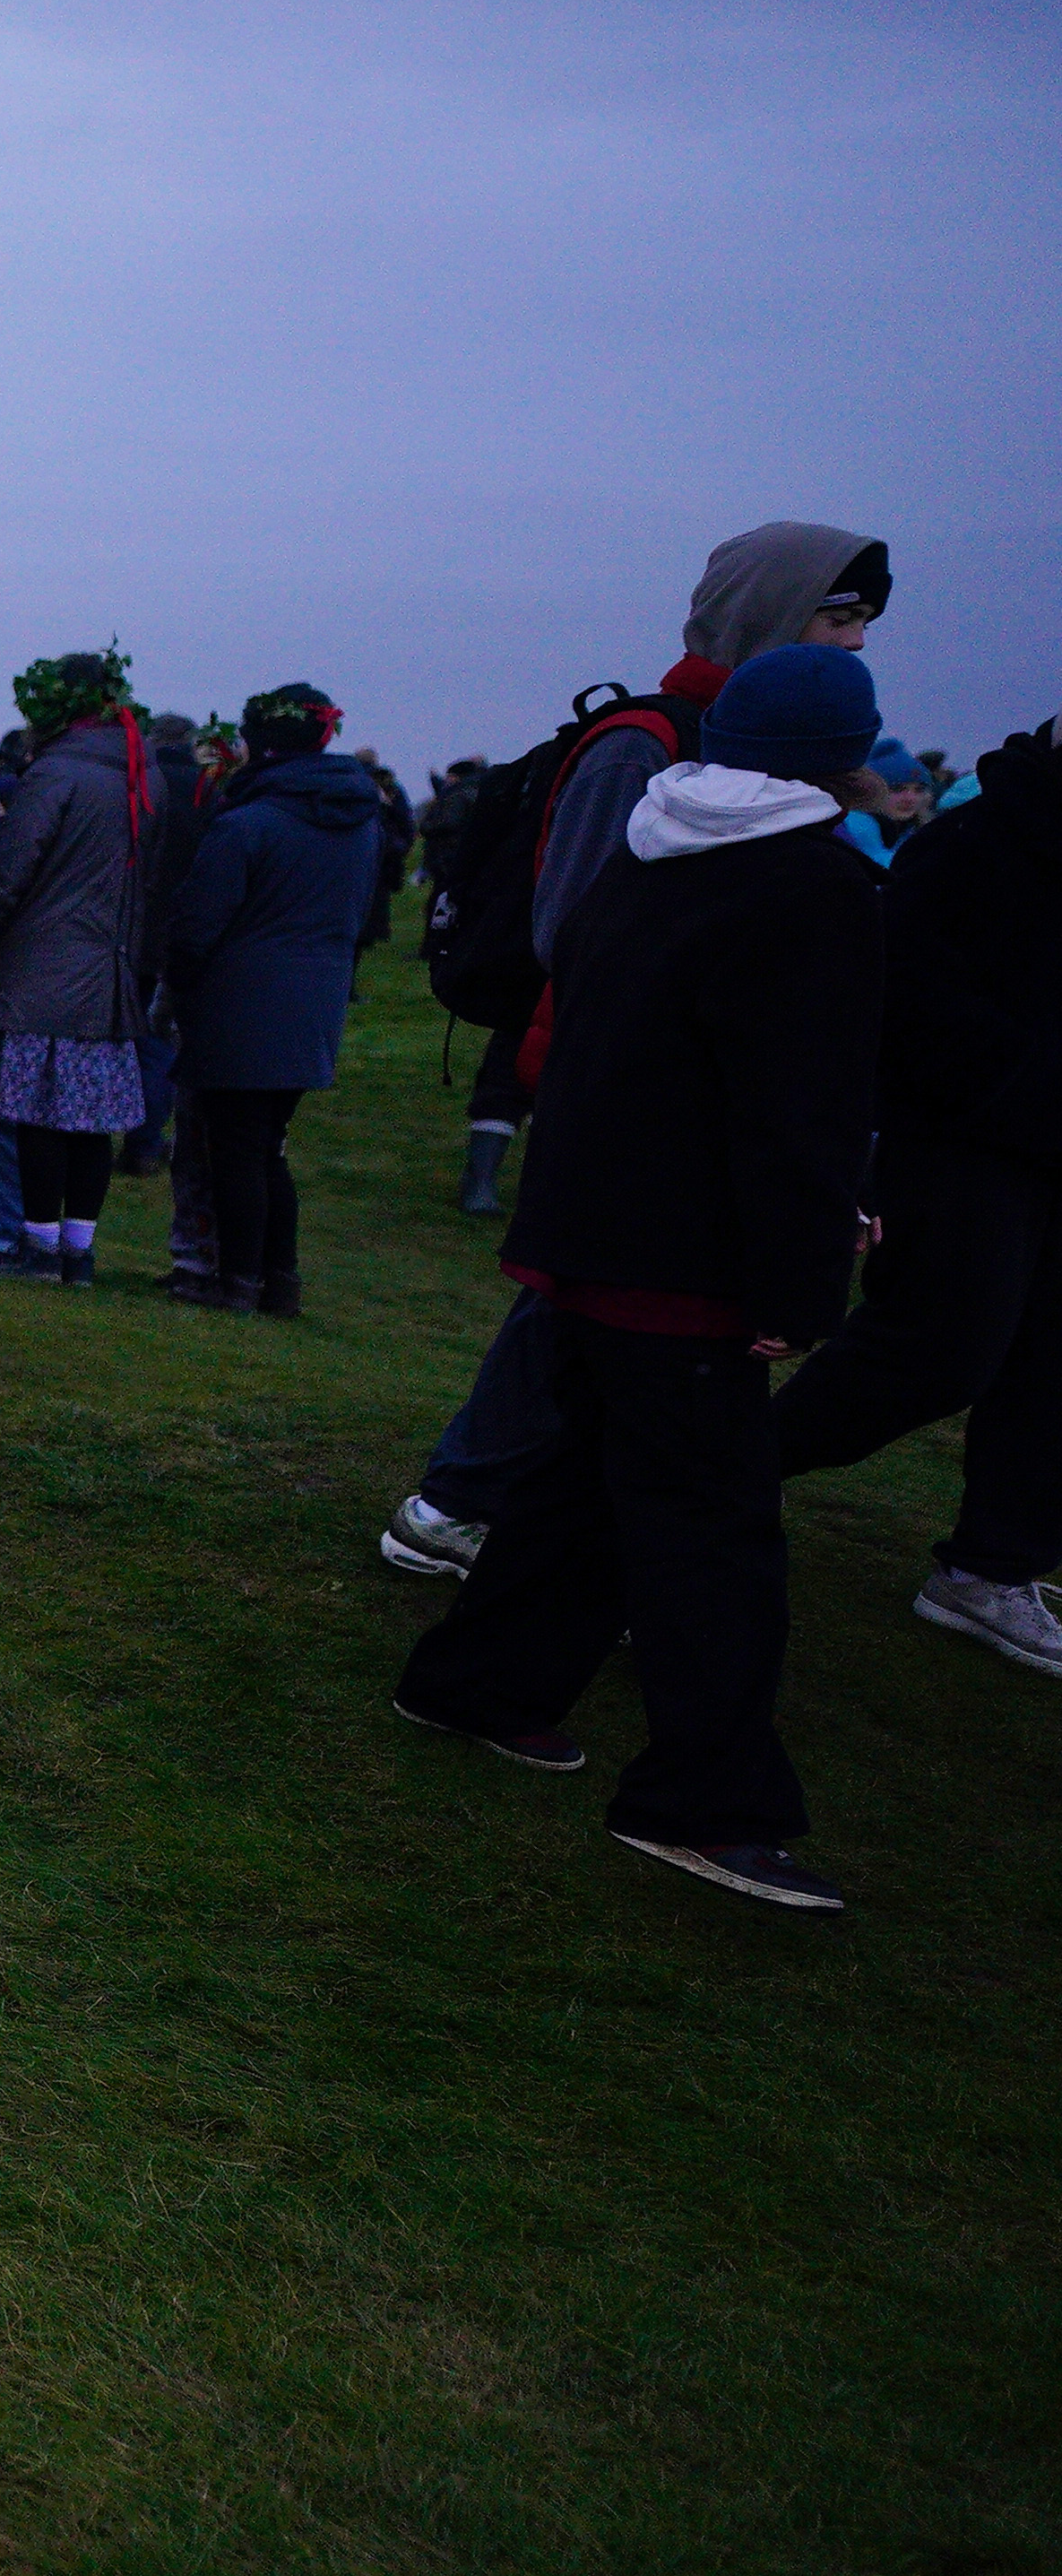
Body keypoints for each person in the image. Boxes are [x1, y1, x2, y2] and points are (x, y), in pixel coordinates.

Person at [392, 645, 886, 1912]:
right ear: (845, 753)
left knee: (581, 1485)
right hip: (690, 1262)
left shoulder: (652, 851)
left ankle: (475, 1684)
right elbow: (794, 1106)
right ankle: (704, 1801)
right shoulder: (810, 886)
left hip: (595, 1229)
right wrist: (797, 1283)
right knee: (713, 1535)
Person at [382, 523, 891, 1579]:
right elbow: (576, 920)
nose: (853, 644)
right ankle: (465, 1502)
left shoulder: (748, 744)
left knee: (599, 1303)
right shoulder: (649, 738)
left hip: (664, 1070)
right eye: (837, 617)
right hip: (610, 1065)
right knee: (584, 1295)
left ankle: (508, 1511)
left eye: (862, 624)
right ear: (770, 613)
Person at [772, 719, 1060, 1674]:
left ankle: (991, 1567)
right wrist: (1023, 1084)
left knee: (1050, 1362)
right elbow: (902, 998)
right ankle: (732, 1467)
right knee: (940, 1347)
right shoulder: (976, 839)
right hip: (964, 1145)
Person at [160, 685, 387, 1314]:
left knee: (234, 1148)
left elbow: (198, 923)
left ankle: (236, 1283)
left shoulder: (247, 822)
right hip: (315, 1001)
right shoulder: (359, 821)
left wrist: (176, 988)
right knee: (267, 1146)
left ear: (257, 744)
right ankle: (278, 1282)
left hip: (240, 999)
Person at [0, 651, 161, 1288]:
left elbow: (10, 871)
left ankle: (38, 1251)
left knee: (39, 1116)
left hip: (41, 969)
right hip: (109, 967)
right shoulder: (143, 775)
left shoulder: (57, 774)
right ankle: (78, 1255)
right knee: (88, 1120)